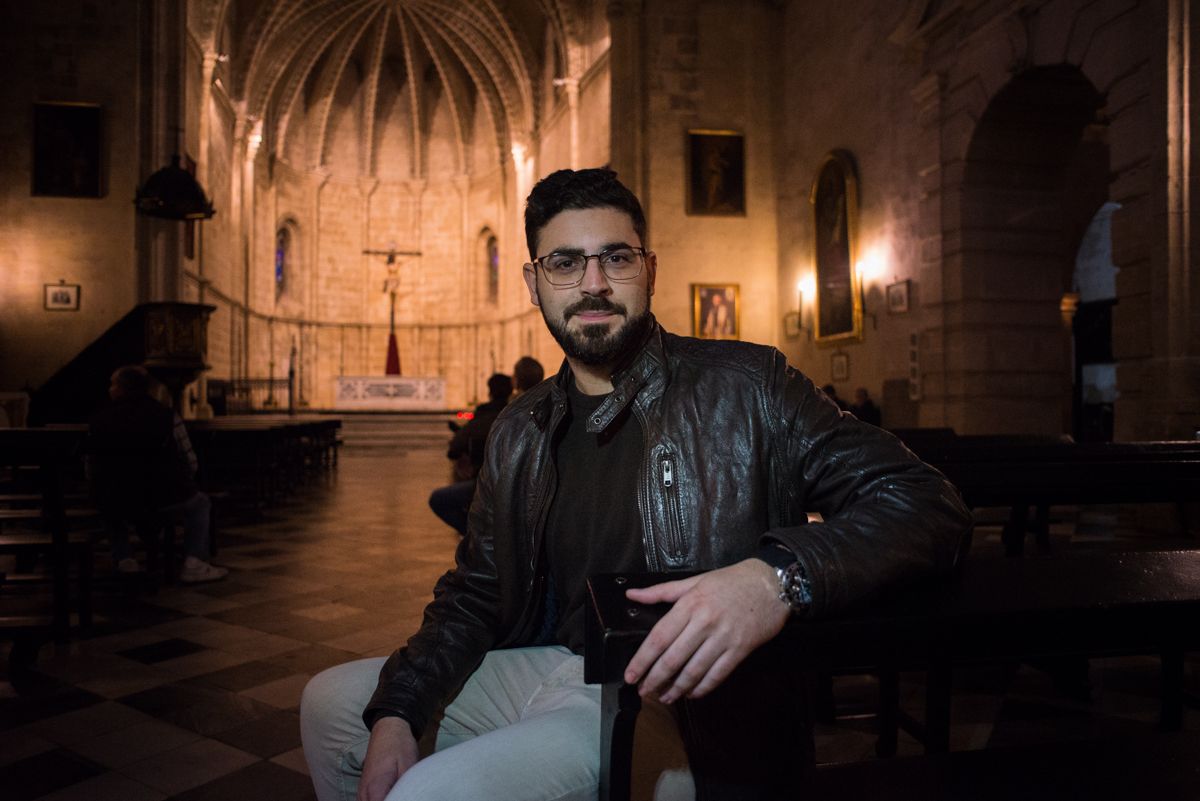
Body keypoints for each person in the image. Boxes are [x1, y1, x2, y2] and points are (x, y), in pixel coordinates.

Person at [301, 169, 971, 801]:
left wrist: (775, 578)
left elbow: (928, 501)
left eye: (615, 258)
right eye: (566, 263)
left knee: (425, 793)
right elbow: (476, 592)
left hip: (681, 701)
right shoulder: (519, 427)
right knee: (333, 703)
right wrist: (400, 705)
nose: (593, 283)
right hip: (548, 667)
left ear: (648, 270)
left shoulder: (748, 388)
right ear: (534, 283)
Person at [87, 365, 227, 583]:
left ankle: (124, 559)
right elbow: (189, 459)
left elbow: (92, 464)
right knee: (200, 503)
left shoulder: (99, 420)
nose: (109, 389)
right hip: (164, 495)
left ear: (122, 388)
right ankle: (194, 563)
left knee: (107, 501)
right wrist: (182, 483)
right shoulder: (166, 416)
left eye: (112, 384)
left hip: (119, 497)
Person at [428, 373, 514, 536]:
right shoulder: (518, 411)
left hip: (488, 484)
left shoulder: (484, 416)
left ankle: (474, 535)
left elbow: (454, 450)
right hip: (516, 482)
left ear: (490, 392)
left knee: (438, 499)